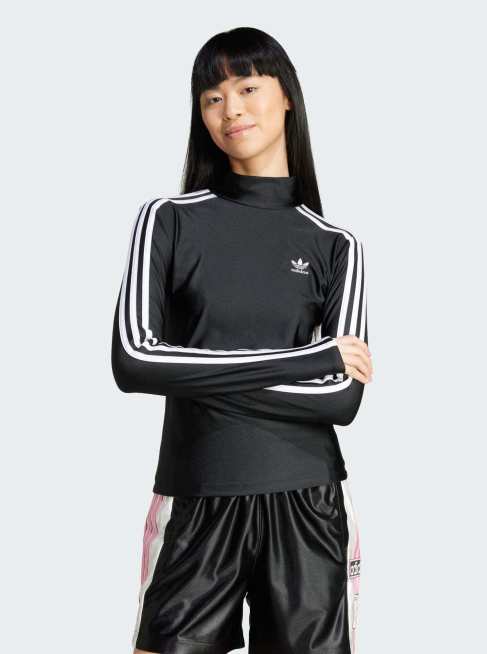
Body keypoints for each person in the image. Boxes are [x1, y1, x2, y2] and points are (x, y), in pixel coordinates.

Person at [111, 26, 373, 654]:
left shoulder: (335, 245)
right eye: (212, 97)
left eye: (247, 88)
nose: (230, 109)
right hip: (197, 496)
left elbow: (340, 399)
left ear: (287, 97)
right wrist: (308, 358)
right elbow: (135, 359)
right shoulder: (169, 220)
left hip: (308, 505)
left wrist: (191, 377)